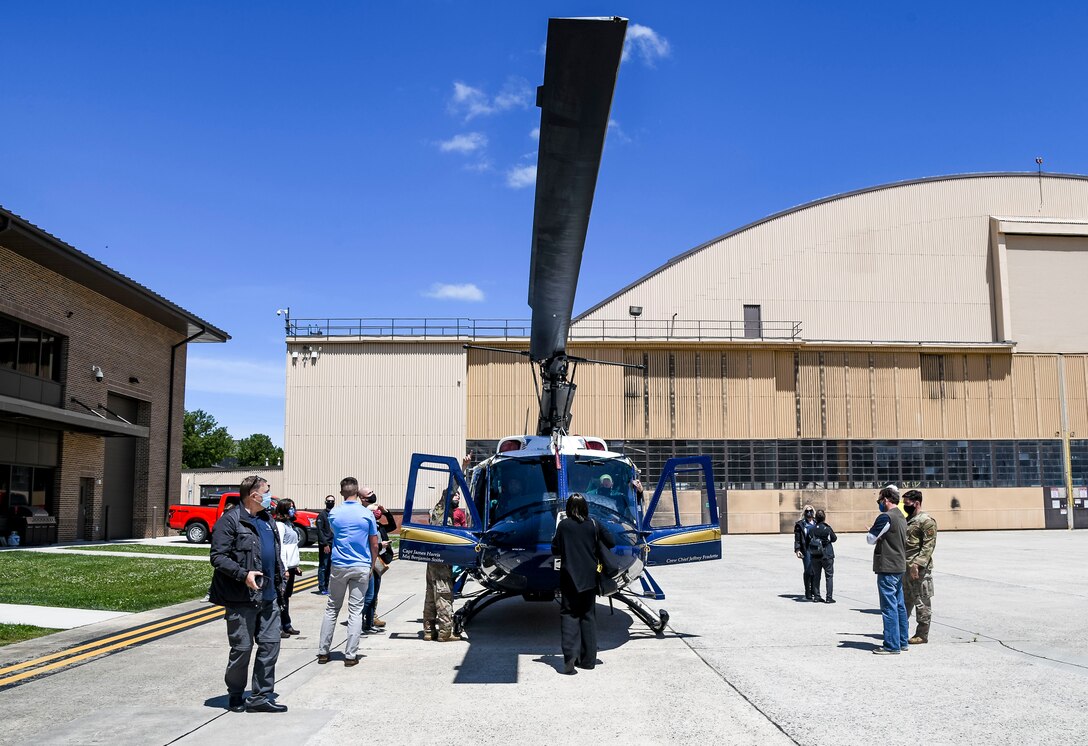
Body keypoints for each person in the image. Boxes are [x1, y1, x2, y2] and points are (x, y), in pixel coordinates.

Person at [208, 475, 287, 713]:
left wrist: (282, 574)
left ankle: (261, 696)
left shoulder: (267, 519)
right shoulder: (230, 520)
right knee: (242, 649)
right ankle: (235, 694)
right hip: (241, 597)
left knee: (270, 645)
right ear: (253, 495)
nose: (270, 497)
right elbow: (217, 557)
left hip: (269, 595)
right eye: (267, 491)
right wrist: (244, 575)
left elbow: (273, 552)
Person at [316, 477, 379, 667]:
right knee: (356, 610)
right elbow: (374, 543)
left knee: (332, 608)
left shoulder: (334, 513)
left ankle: (323, 652)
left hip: (339, 564)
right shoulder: (366, 514)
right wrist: (372, 564)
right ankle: (350, 655)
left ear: (342, 492)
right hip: (361, 564)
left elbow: (335, 533)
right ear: (357, 492)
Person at [551, 493, 614, 675]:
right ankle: (588, 661)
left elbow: (555, 548)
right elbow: (611, 541)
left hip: (569, 576)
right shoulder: (594, 524)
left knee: (569, 615)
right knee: (588, 616)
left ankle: (570, 658)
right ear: (586, 507)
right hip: (590, 577)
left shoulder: (563, 526)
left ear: (568, 509)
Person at [867, 486, 909, 655]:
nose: (879, 504)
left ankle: (892, 645)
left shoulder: (885, 517)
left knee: (889, 607)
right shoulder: (901, 516)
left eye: (879, 501)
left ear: (886, 500)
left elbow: (870, 539)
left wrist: (874, 532)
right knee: (899, 605)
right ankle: (902, 641)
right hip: (899, 565)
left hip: (887, 566)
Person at [903, 489, 937, 644]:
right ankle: (901, 631)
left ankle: (922, 634)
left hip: (919, 569)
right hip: (905, 566)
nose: (905, 506)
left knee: (922, 601)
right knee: (905, 601)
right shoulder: (908, 520)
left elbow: (928, 546)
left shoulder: (926, 521)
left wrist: (917, 564)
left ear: (916, 503)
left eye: (907, 503)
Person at [422, 491, 458, 642]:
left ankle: (429, 631)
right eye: (455, 495)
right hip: (441, 560)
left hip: (433, 560)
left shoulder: (439, 511)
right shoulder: (443, 513)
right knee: (443, 594)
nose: (458, 497)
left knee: (431, 594)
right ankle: (445, 632)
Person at [273, 498, 302, 637]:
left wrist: (295, 566)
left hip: (291, 567)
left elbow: (293, 547)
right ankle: (278, 627)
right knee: (281, 598)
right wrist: (283, 568)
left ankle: (287, 624)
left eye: (293, 507)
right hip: (284, 568)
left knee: (286, 597)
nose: (293, 510)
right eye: (290, 507)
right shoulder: (279, 525)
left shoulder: (290, 524)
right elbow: (281, 548)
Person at [807, 509, 837, 604]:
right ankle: (829, 597)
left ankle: (816, 596)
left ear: (816, 518)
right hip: (827, 554)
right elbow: (834, 538)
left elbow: (809, 539)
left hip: (815, 555)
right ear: (824, 518)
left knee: (816, 576)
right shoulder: (827, 528)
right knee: (829, 576)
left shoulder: (812, 529)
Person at [793, 504, 817, 600]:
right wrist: (797, 550)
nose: (809, 512)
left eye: (811, 510)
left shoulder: (817, 523)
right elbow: (797, 539)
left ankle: (815, 591)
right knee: (808, 570)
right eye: (807, 511)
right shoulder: (800, 524)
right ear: (804, 513)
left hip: (816, 550)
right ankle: (808, 592)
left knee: (815, 571)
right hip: (806, 549)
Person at [315, 495, 335, 595]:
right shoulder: (322, 515)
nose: (330, 503)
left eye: (332, 501)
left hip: (333, 544)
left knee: (330, 567)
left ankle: (328, 585)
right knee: (324, 566)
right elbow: (319, 531)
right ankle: (322, 586)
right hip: (325, 544)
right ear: (325, 502)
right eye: (329, 501)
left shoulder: (334, 514)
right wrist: (325, 544)